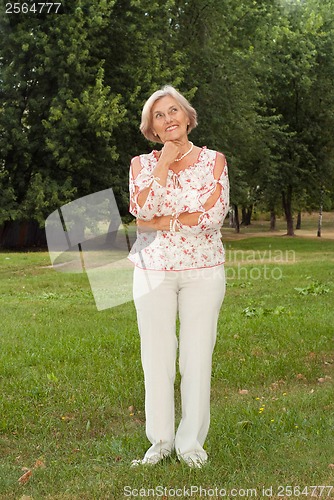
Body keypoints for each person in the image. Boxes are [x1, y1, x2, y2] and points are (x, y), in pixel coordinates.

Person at [128, 85, 230, 468]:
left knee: (196, 357)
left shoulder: (214, 161)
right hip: (151, 272)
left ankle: (190, 445)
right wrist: (164, 163)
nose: (168, 118)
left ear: (188, 117)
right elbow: (141, 210)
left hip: (203, 271)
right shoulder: (141, 165)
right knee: (156, 357)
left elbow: (211, 216)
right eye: (159, 115)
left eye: (174, 111)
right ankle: (160, 442)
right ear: (151, 128)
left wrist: (162, 221)